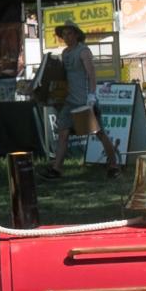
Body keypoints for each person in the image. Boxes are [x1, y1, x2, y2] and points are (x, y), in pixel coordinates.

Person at [42, 24, 120, 179]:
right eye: (64, 34)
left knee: (99, 133)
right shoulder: (65, 53)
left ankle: (113, 165)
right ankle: (56, 169)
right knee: (63, 134)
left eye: (70, 34)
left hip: (85, 101)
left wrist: (92, 95)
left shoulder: (84, 51)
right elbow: (63, 77)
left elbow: (92, 73)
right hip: (70, 101)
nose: (67, 37)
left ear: (77, 35)